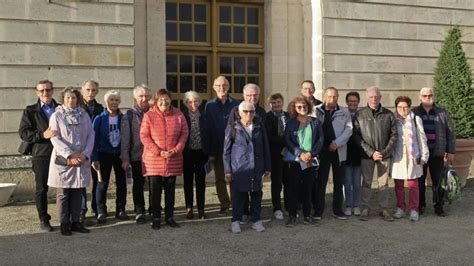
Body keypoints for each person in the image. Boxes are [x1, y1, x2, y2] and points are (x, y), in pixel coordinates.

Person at [47, 87, 95, 235]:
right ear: (63, 99)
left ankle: (76, 222)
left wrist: (85, 154)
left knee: (78, 191)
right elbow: (55, 138)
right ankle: (64, 223)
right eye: (68, 97)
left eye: (73, 97)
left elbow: (90, 135)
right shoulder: (57, 116)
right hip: (64, 160)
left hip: (81, 160)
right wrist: (70, 155)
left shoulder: (84, 115)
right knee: (63, 193)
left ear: (77, 99)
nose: (71, 100)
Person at [140, 89, 189, 230]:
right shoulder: (149, 115)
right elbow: (144, 136)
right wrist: (158, 151)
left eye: (166, 99)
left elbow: (184, 134)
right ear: (156, 100)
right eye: (161, 99)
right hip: (153, 161)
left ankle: (169, 217)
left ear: (170, 100)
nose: (164, 102)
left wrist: (175, 150)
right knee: (155, 191)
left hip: (173, 159)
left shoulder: (179, 115)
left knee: (170, 191)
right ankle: (155, 217)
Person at [223, 101, 271, 233]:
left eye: (251, 111)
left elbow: (265, 147)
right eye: (245, 111)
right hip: (240, 168)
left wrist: (267, 167)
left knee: (256, 194)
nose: (248, 114)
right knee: (239, 196)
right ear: (239, 113)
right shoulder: (233, 128)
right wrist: (228, 170)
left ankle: (256, 220)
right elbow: (226, 151)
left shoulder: (259, 127)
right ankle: (236, 220)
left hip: (257, 167)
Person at [19, 80, 58, 232]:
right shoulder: (30, 111)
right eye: (41, 91)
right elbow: (24, 133)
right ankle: (44, 219)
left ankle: (67, 216)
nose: (45, 93)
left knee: (65, 187)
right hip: (41, 154)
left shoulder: (61, 108)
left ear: (52, 91)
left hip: (60, 153)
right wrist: (42, 135)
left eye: (47, 90)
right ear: (37, 93)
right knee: (42, 188)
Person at [353, 86, 397, 221]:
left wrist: (384, 152)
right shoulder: (360, 114)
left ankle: (384, 209)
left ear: (380, 97)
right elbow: (356, 136)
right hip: (367, 155)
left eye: (376, 97)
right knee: (366, 182)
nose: (374, 99)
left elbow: (394, 135)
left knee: (383, 183)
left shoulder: (388, 114)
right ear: (367, 98)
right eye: (371, 97)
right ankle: (365, 208)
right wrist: (371, 152)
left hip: (384, 155)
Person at [412, 87, 455, 216]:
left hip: (437, 152)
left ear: (433, 96)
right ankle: (420, 206)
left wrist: (451, 151)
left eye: (430, 95)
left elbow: (450, 133)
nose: (427, 97)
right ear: (420, 97)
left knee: (438, 181)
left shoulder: (442, 113)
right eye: (424, 96)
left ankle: (439, 206)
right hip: (420, 153)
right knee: (420, 181)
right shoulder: (414, 113)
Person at [226, 83, 266, 223]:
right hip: (240, 161)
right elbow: (231, 136)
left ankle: (255, 217)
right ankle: (241, 214)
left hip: (256, 159)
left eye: (255, 95)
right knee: (240, 191)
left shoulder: (262, 112)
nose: (252, 98)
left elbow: (264, 141)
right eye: (249, 95)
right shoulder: (235, 111)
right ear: (243, 96)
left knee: (256, 190)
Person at [313, 87, 352, 220]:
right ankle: (318, 210)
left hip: (338, 150)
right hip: (321, 151)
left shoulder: (344, 111)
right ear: (324, 97)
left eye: (335, 97)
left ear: (338, 97)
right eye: (329, 97)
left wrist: (337, 143)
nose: (332, 99)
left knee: (338, 181)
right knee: (321, 181)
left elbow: (349, 129)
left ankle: (337, 210)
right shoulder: (316, 110)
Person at [284, 97, 324, 227]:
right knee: (293, 188)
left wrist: (311, 154)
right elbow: (288, 140)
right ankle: (292, 216)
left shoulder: (315, 122)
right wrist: (300, 153)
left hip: (310, 160)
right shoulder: (291, 123)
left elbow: (320, 140)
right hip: (295, 160)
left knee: (308, 188)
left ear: (308, 107)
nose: (302, 109)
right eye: (299, 107)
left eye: (304, 106)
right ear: (295, 109)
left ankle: (307, 215)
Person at [204, 76, 239, 215]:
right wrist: (210, 152)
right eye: (218, 85)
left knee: (234, 177)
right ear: (214, 87)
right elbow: (208, 129)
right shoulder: (209, 105)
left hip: (235, 149)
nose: (221, 88)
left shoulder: (236, 104)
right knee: (220, 178)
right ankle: (224, 204)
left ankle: (236, 204)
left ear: (228, 87)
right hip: (218, 148)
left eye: (224, 85)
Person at [92, 90, 128, 224]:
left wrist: (126, 158)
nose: (114, 102)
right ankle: (101, 211)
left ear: (119, 102)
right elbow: (93, 139)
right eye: (111, 100)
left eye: (116, 100)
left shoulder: (123, 118)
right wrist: (94, 158)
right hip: (103, 154)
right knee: (102, 183)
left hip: (119, 154)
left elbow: (126, 139)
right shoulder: (99, 118)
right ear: (106, 102)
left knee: (121, 183)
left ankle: (121, 209)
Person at [391, 96, 429, 222]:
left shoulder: (415, 119)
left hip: (413, 155)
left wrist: (424, 156)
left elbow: (422, 138)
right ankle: (400, 207)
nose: (403, 110)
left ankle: (414, 209)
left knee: (413, 184)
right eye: (400, 107)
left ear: (409, 107)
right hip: (398, 156)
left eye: (405, 107)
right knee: (399, 185)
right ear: (396, 108)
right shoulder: (393, 119)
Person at [120, 84, 151, 224]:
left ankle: (153, 207)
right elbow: (125, 139)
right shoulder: (130, 115)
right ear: (135, 97)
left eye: (146, 96)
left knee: (154, 184)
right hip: (137, 156)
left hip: (153, 156)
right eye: (141, 96)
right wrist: (125, 159)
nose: (144, 98)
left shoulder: (155, 111)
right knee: (138, 184)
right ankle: (140, 211)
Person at [78, 79, 103, 223]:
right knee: (81, 181)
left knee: (96, 179)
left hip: (95, 150)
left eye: (93, 90)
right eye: (88, 90)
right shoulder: (77, 106)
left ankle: (95, 207)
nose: (90, 93)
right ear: (82, 90)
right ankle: (81, 209)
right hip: (80, 150)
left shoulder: (100, 108)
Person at [182, 91, 209, 220]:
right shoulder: (182, 116)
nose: (193, 104)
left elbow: (210, 135)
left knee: (200, 182)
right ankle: (189, 208)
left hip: (201, 153)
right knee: (187, 182)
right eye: (190, 102)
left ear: (199, 102)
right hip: (187, 153)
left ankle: (201, 208)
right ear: (186, 103)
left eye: (196, 101)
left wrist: (210, 153)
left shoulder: (204, 116)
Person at [265, 93, 290, 220]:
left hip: (288, 153)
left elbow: (292, 133)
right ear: (270, 104)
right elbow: (269, 136)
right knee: (277, 182)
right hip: (275, 154)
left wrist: (288, 146)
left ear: (282, 102)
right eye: (274, 103)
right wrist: (284, 144)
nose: (276, 105)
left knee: (288, 181)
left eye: (278, 102)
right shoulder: (267, 117)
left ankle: (288, 206)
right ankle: (277, 207)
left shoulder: (288, 116)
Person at [344, 91, 362, 216]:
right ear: (346, 102)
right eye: (350, 101)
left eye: (355, 101)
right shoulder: (342, 114)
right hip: (345, 151)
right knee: (347, 181)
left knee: (356, 181)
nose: (352, 103)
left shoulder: (362, 114)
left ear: (358, 102)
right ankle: (347, 205)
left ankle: (356, 204)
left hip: (359, 152)